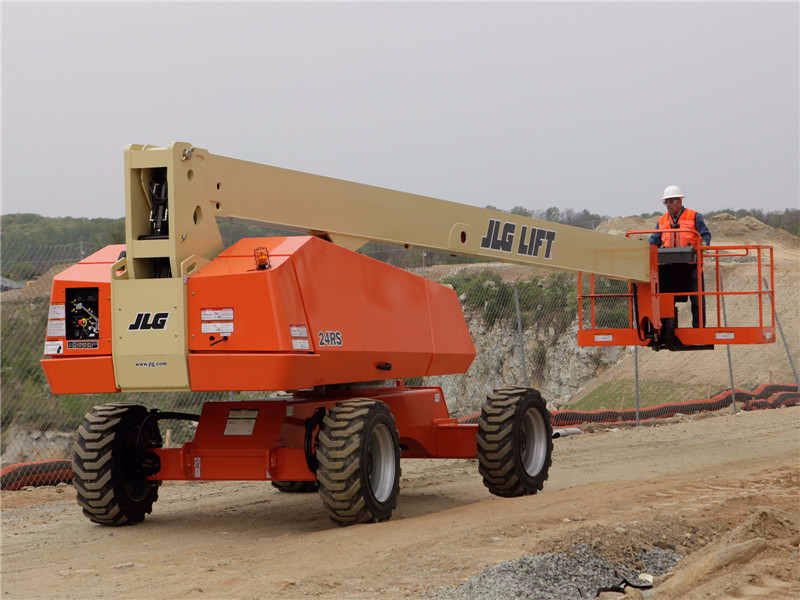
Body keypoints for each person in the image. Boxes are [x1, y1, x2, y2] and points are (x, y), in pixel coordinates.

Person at [649, 185, 711, 328]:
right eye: (666, 202)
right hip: (668, 266)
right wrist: (646, 249)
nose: (669, 205)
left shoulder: (694, 216)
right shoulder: (662, 220)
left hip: (691, 265)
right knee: (663, 298)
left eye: (671, 201)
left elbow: (705, 235)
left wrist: (705, 245)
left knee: (697, 299)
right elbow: (654, 241)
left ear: (680, 201)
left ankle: (699, 329)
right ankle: (666, 328)